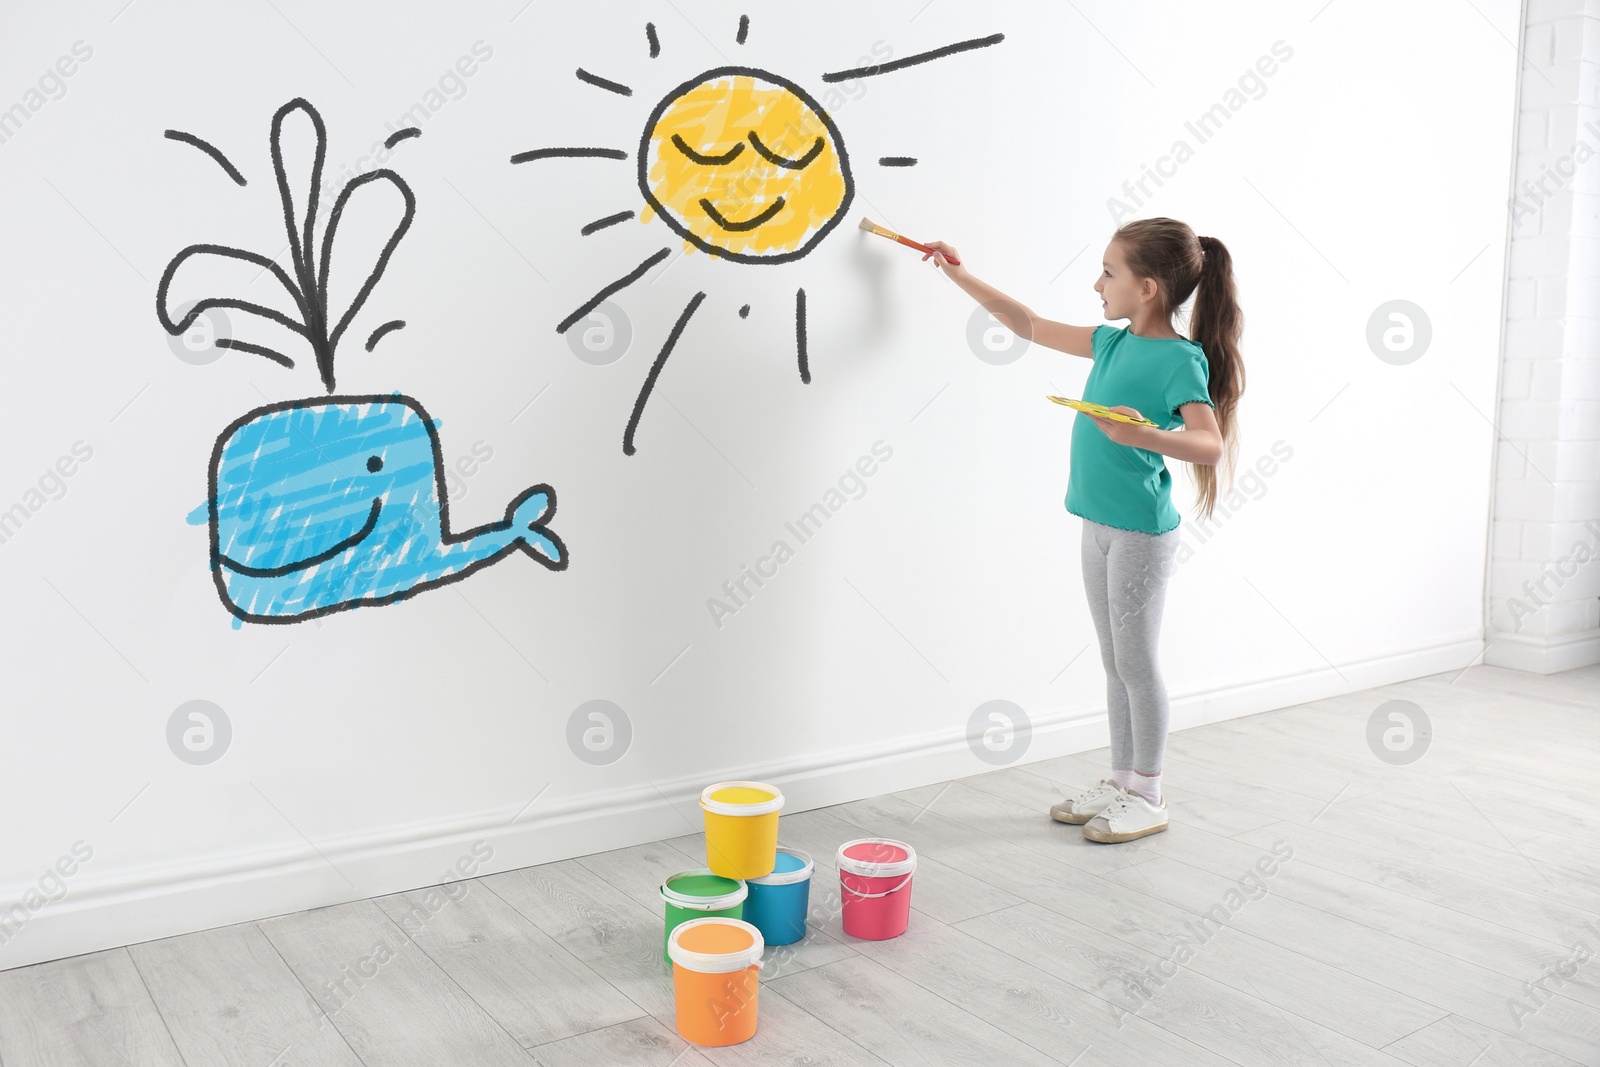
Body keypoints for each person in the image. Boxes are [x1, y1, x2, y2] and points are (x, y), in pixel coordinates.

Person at [922, 218, 1244, 843]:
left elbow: (1208, 444)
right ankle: (1122, 779)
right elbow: (1029, 325)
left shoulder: (1180, 359)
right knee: (1112, 659)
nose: (1097, 282)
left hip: (1141, 534)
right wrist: (958, 273)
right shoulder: (1110, 343)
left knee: (1136, 660)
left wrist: (1140, 434)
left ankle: (1148, 792)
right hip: (1096, 525)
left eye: (1108, 272)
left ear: (1147, 288)